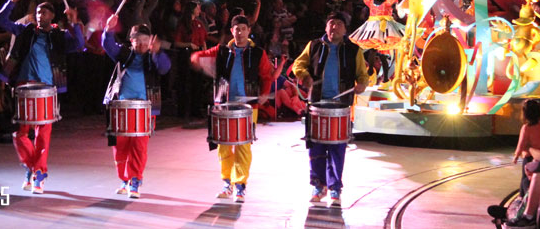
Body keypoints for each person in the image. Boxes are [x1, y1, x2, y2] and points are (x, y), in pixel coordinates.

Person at [1, 0, 85, 194]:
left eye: (44, 12)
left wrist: (74, 24)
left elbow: (79, 45)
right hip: (24, 84)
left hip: (47, 88)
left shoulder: (58, 35)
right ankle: (32, 167)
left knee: (42, 134)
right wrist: (12, 0)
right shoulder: (25, 31)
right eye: (38, 11)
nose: (40, 14)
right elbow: (1, 20)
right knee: (20, 133)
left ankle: (38, 173)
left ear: (52, 17)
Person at [190, 14, 275, 203]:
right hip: (224, 105)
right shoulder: (221, 51)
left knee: (243, 146)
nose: (240, 32)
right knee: (224, 147)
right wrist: (197, 59)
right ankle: (227, 182)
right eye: (237, 29)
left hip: (247, 107)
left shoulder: (258, 53)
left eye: (244, 29)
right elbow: (198, 56)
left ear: (249, 31)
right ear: (232, 31)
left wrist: (264, 93)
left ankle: (240, 186)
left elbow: (266, 76)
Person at [292, 12, 369, 208]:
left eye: (339, 24)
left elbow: (363, 75)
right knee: (316, 149)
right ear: (326, 27)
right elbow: (298, 64)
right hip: (317, 105)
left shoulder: (354, 50)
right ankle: (318, 186)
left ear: (345, 29)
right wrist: (304, 75)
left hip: (340, 107)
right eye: (331, 23)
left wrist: (361, 84)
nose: (334, 27)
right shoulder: (314, 46)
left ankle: (335, 188)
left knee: (337, 150)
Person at [102, 15, 171, 199]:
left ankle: (135, 180)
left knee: (139, 147)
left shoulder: (152, 58)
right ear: (131, 41)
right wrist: (108, 30)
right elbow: (107, 45)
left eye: (145, 41)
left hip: (145, 108)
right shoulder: (124, 54)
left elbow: (164, 68)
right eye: (137, 41)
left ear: (150, 42)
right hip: (121, 107)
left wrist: (157, 52)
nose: (141, 44)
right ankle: (124, 179)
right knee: (119, 147)